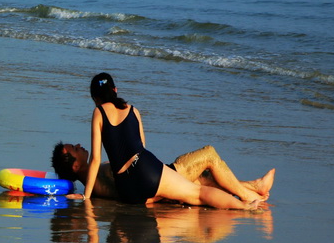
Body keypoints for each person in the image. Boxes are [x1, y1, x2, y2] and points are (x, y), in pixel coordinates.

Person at [73, 72, 268, 209]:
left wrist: (86, 197)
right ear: (115, 89)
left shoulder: (98, 112)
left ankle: (250, 192)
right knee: (197, 194)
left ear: (95, 98)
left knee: (196, 187)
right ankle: (245, 207)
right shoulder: (133, 111)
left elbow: (96, 159)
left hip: (129, 191)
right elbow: (141, 146)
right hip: (145, 170)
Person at [52, 142, 275, 203]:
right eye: (74, 148)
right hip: (167, 176)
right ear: (74, 166)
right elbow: (125, 190)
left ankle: (254, 187)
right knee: (209, 155)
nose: (80, 145)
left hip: (163, 177)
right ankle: (250, 194)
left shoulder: (94, 178)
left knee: (205, 181)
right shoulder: (98, 178)